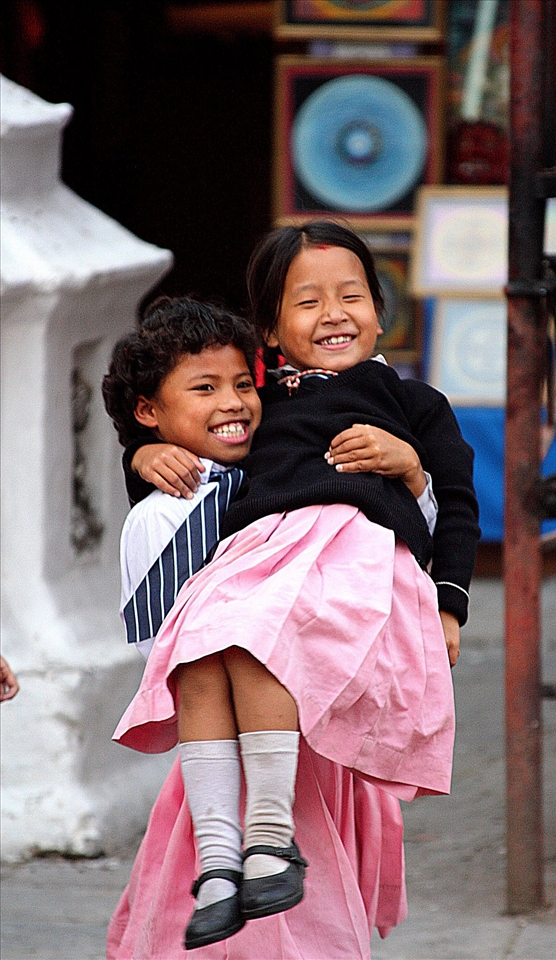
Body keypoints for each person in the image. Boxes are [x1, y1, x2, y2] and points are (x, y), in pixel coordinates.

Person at [114, 221, 480, 957]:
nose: (333, 312)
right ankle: (222, 862)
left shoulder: (413, 404)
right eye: (307, 301)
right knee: (202, 650)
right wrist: (143, 449)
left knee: (248, 634)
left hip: (349, 569)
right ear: (270, 330)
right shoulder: (261, 399)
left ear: (380, 308)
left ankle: (271, 841)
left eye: (351, 295)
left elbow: (457, 503)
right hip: (256, 563)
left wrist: (416, 491)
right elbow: (201, 452)